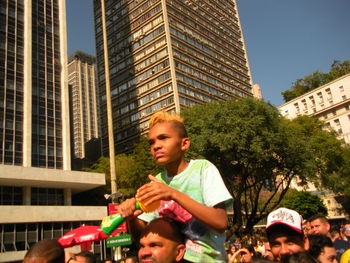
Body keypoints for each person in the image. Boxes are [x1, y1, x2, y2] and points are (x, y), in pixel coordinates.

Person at [118, 111, 233, 262]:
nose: (156, 146)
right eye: (151, 142)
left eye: (163, 138)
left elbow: (220, 222)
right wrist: (131, 219)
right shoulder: (156, 182)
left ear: (184, 143)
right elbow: (142, 237)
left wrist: (173, 194)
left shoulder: (202, 168)